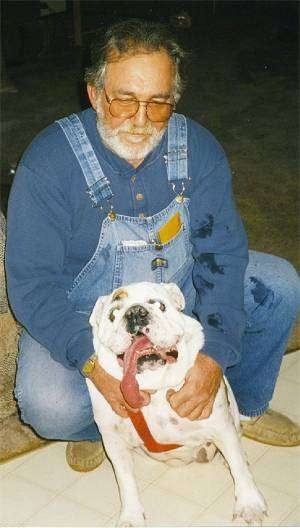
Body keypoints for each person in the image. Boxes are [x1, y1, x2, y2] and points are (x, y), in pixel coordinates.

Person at [5, 19, 300, 472]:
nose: (141, 121)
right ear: (94, 94)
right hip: (88, 312)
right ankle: (101, 429)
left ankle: (241, 408)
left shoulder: (196, 149)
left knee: (278, 286)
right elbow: (32, 284)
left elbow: (221, 256)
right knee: (47, 403)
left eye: (158, 104)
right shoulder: (49, 162)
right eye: (124, 101)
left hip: (177, 294)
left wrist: (215, 353)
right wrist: (91, 364)